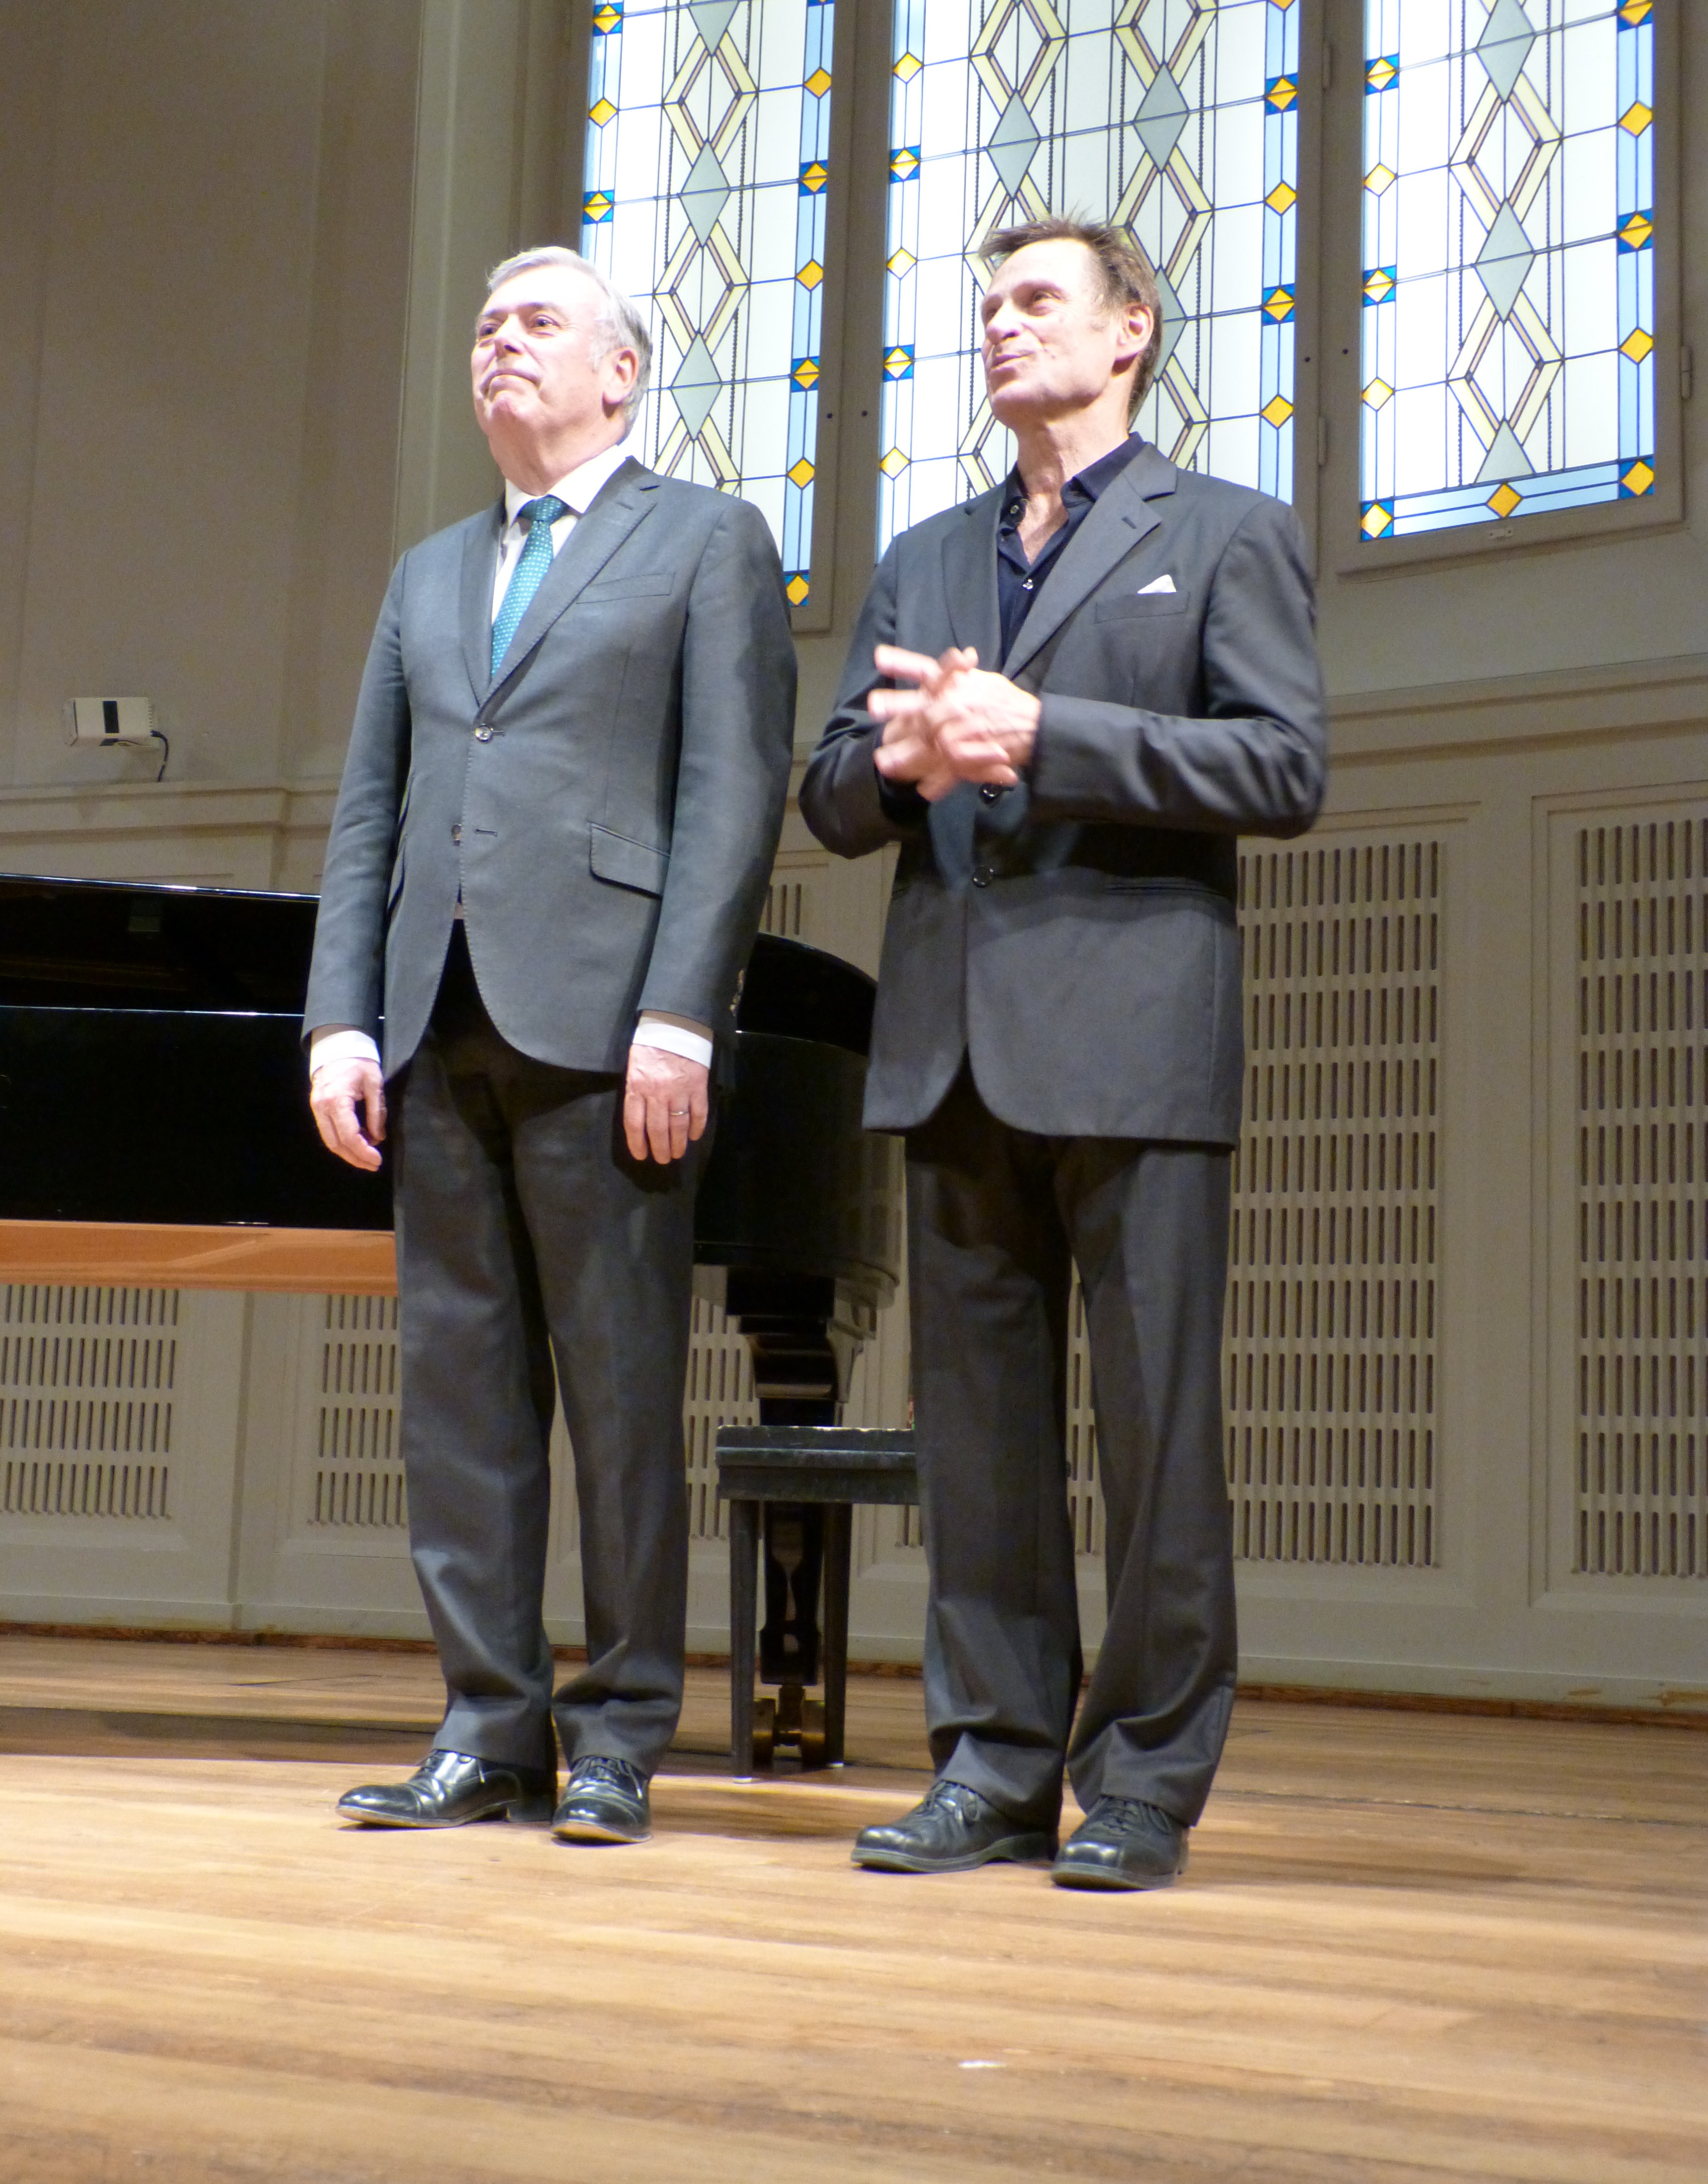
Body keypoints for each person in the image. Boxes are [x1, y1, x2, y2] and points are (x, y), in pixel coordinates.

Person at [799, 217, 1326, 1890]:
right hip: (951, 1042)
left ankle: (1148, 1779)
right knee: (978, 1442)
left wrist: (1048, 734)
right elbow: (828, 792)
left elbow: (1284, 767)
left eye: (1039, 299)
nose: (1002, 325)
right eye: (989, 306)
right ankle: (996, 1765)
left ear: (1130, 331)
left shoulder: (1224, 532)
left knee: (1157, 1433)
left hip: (1137, 1039)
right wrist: (901, 764)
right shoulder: (926, 555)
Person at [304, 247, 795, 1843]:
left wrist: (683, 1009)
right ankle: (487, 1725)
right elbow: (369, 813)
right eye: (484, 327)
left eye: (536, 323)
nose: (499, 345)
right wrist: (339, 1020)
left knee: (622, 1392)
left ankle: (622, 1732)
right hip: (436, 1020)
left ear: (621, 372)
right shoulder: (429, 572)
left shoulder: (707, 539)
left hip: (607, 1022)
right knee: (458, 1397)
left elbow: (732, 792)